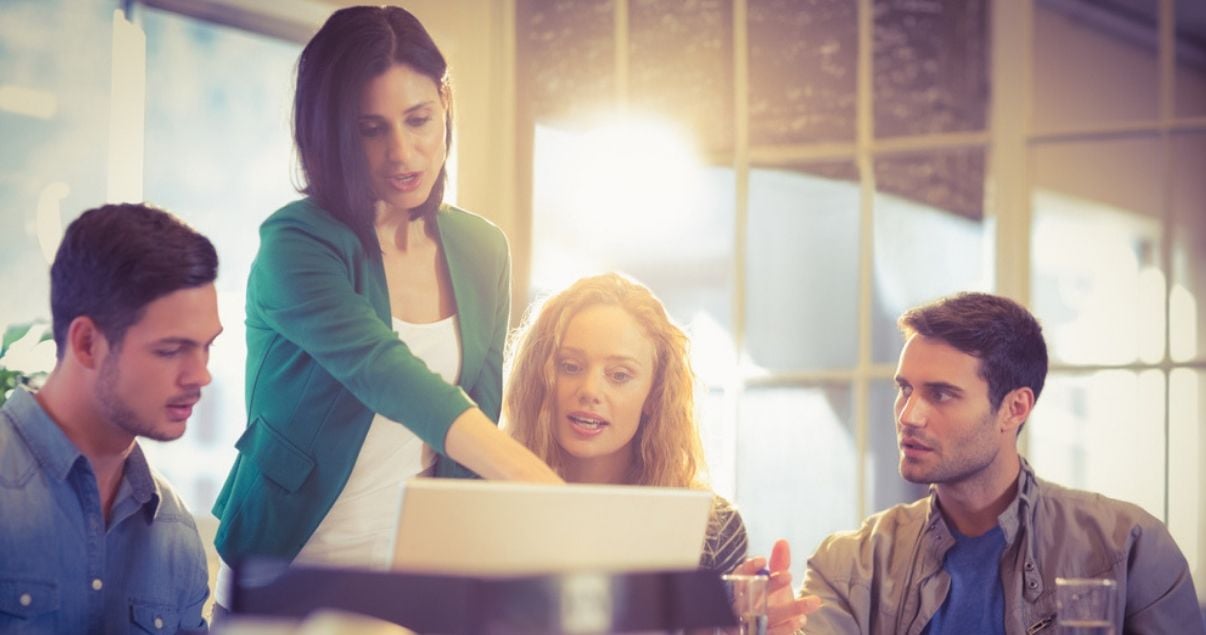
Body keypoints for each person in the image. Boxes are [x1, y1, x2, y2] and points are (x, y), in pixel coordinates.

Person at [211, 4, 560, 596]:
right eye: (371, 130)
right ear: (330, 134)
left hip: (417, 580)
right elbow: (386, 373)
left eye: (419, 119)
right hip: (286, 574)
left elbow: (480, 410)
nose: (403, 153)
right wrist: (546, 490)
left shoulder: (482, 249)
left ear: (446, 107)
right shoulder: (296, 245)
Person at [800, 292, 1204, 634]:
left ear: (1014, 408)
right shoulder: (849, 565)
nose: (908, 416)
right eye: (905, 389)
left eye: (940, 394)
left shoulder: (1128, 548)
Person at [504, 273, 819, 633]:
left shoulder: (711, 530)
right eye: (570, 367)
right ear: (539, 377)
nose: (590, 390)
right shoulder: (488, 508)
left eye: (619, 375)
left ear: (654, 396)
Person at [0, 203, 220, 633]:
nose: (201, 375)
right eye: (171, 350)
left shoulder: (174, 531)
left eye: (207, 346)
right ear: (86, 343)